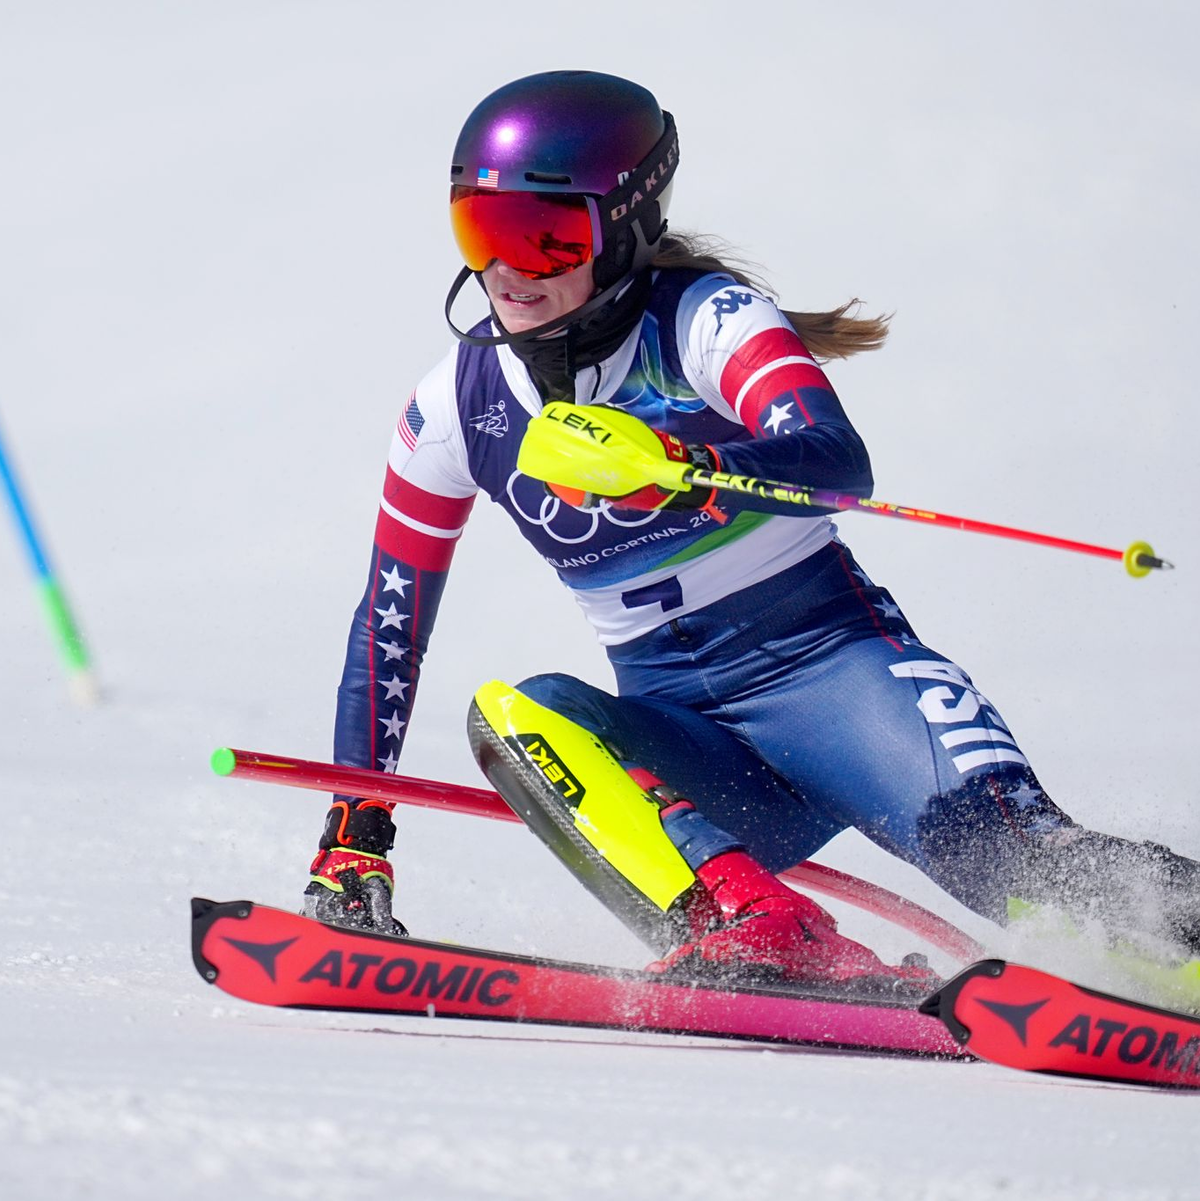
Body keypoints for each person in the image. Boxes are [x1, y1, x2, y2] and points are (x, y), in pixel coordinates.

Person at [302, 70, 1199, 989]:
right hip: (695, 751)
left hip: (837, 680)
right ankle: (759, 924)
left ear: (625, 232)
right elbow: (387, 626)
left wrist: (690, 474)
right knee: (520, 715)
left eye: (546, 238)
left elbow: (837, 460)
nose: (507, 271)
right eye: (481, 233)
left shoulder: (704, 321)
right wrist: (355, 827)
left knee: (1030, 872)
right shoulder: (454, 408)